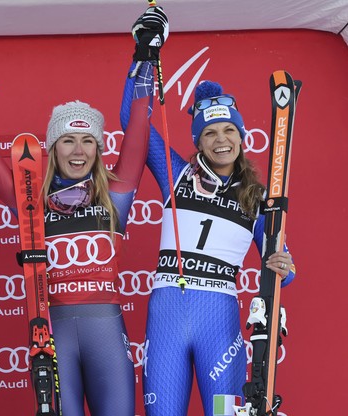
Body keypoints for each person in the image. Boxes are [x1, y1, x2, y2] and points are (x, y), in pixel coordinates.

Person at [0, 6, 169, 415]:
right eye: (68, 141)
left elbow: (139, 127)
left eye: (88, 141)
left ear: (99, 148)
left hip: (106, 331)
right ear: (52, 148)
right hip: (52, 333)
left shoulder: (115, 194)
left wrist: (145, 55)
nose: (79, 150)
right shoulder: (30, 196)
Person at [127, 78, 298, 415]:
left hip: (218, 322)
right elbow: (131, 122)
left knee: (226, 414)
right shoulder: (175, 175)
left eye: (228, 131)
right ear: (198, 142)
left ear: (241, 136)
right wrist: (143, 58)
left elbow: (281, 270)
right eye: (210, 133)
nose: (221, 140)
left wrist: (286, 268)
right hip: (167, 318)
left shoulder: (259, 200)